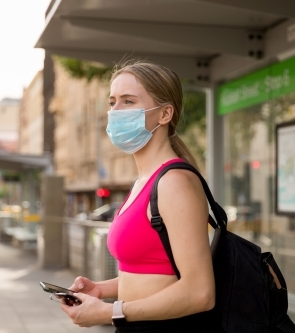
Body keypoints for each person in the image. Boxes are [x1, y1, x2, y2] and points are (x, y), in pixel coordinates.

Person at [59, 61, 215, 332]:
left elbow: (200, 292)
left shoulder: (175, 183)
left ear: (165, 113)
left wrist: (110, 312)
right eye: (112, 102)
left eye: (128, 101)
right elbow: (155, 275)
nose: (115, 112)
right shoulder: (143, 182)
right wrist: (101, 289)